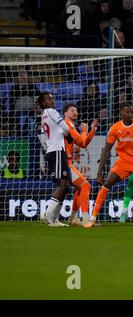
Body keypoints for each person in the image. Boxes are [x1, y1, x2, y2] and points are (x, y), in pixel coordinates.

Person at [62, 103, 98, 227]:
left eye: (76, 110)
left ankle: (73, 218)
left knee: (81, 188)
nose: (75, 112)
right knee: (85, 186)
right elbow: (82, 142)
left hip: (67, 162)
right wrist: (85, 131)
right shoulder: (67, 125)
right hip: (64, 162)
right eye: (72, 110)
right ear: (65, 113)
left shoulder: (70, 125)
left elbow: (83, 144)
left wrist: (91, 131)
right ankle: (86, 219)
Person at [39, 92, 70, 227]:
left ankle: (54, 219)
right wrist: (66, 133)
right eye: (48, 99)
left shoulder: (43, 115)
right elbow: (66, 128)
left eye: (53, 98)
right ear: (43, 103)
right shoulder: (52, 111)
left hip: (54, 150)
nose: (52, 101)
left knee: (65, 185)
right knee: (62, 185)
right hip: (57, 150)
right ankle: (47, 215)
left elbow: (49, 134)